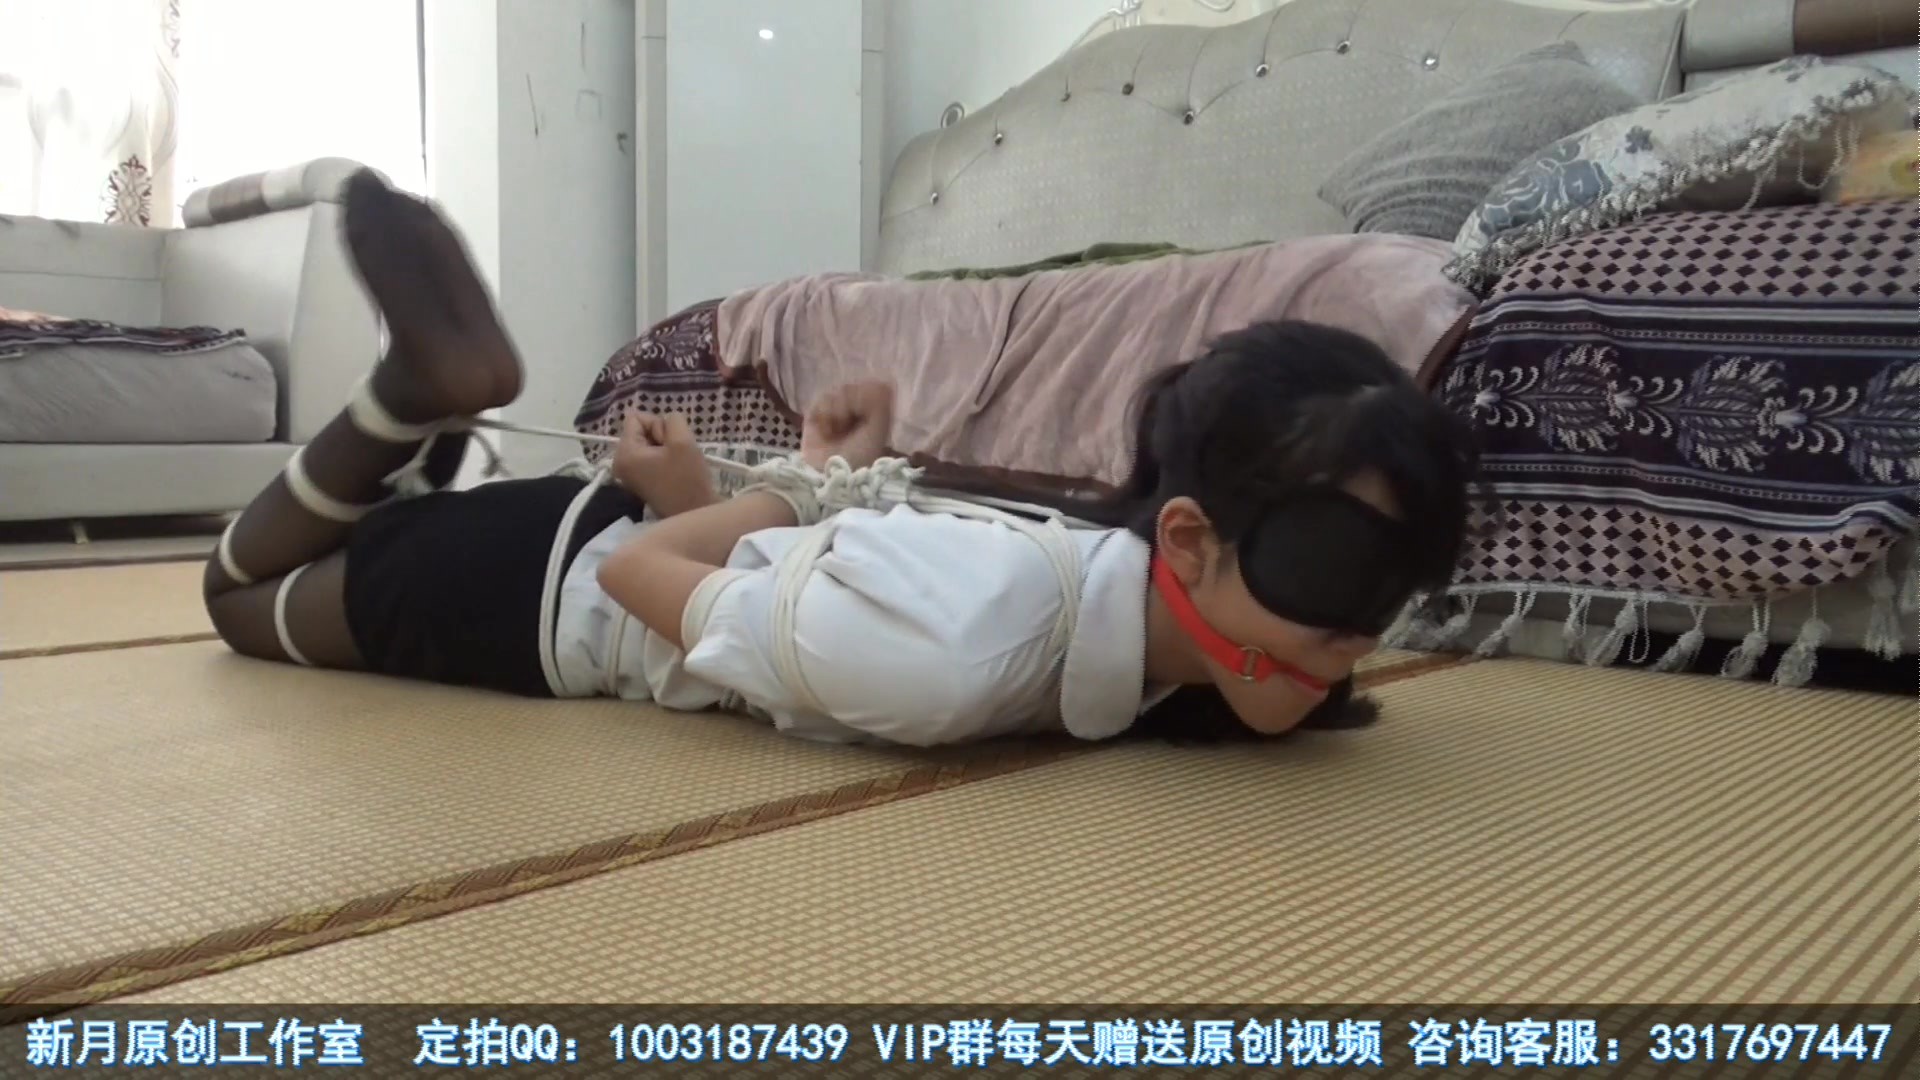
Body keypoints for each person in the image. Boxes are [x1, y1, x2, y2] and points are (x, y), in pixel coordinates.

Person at [202, 170, 1479, 747]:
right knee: (234, 600)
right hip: (543, 600)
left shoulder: (1101, 590)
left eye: (1395, 585)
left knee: (337, 547)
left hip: (571, 553)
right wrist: (749, 493)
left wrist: (800, 480)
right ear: (1188, 536)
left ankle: (419, 414)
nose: (1360, 634)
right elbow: (645, 570)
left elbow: (815, 550)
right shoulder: (964, 656)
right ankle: (413, 395)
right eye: (1334, 567)